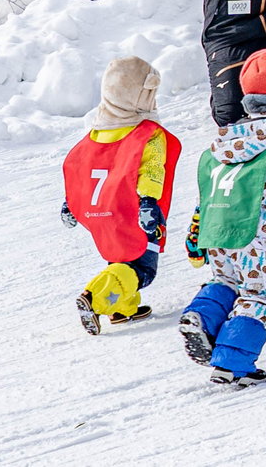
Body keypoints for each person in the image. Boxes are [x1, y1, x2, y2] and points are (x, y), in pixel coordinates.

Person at [177, 47, 266, 387]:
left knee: (226, 281)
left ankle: (201, 315)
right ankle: (233, 363)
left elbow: (208, 190)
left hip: (219, 227)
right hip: (259, 233)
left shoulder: (226, 141)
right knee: (260, 295)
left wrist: (197, 231)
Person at [61, 56, 182, 334]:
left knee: (120, 261)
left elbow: (80, 170)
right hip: (135, 211)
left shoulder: (96, 135)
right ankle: (95, 298)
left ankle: (122, 308)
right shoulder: (147, 134)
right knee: (141, 270)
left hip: (104, 212)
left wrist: (71, 202)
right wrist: (149, 203)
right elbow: (152, 170)